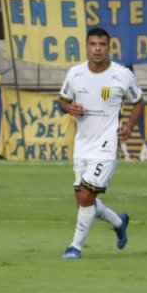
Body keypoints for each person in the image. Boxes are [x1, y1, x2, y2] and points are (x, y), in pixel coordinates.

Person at [58, 26, 139, 260]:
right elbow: (62, 100)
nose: (97, 48)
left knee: (86, 197)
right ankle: (118, 222)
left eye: (102, 45)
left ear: (108, 47)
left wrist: (130, 126)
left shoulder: (122, 74)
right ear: (86, 46)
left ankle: (75, 247)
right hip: (83, 144)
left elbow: (139, 101)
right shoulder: (75, 73)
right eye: (93, 44)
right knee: (85, 200)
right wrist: (69, 107)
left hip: (107, 145)